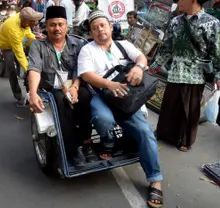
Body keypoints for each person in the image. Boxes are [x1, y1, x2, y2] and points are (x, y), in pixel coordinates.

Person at [77, 10, 163, 208]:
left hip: (126, 96)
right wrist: (109, 85)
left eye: (103, 25)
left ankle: (155, 179)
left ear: (110, 27)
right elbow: (87, 75)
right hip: (102, 95)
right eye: (95, 27)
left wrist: (138, 68)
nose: (100, 30)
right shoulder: (87, 49)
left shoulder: (123, 45)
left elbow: (142, 57)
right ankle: (107, 142)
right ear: (91, 32)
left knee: (145, 131)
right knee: (103, 119)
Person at [149, 0, 220, 152]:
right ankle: (165, 133)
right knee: (169, 105)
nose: (179, 1)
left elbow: (217, 50)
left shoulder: (211, 22)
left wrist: (219, 75)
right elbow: (167, 47)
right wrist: (155, 66)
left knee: (189, 109)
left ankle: (185, 140)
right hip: (175, 72)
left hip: (195, 74)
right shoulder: (175, 21)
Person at [28, 6, 97, 167]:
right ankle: (74, 148)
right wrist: (32, 93)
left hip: (75, 84)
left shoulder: (78, 44)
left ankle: (86, 143)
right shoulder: (37, 46)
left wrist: (74, 86)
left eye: (60, 24)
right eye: (52, 25)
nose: (57, 28)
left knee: (86, 97)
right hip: (51, 89)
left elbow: (81, 69)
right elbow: (34, 70)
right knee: (60, 102)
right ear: (46, 27)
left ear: (66, 26)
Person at [0, 7, 43, 107]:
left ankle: (26, 75)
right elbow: (20, 54)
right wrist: (30, 70)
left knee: (31, 49)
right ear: (25, 20)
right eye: (32, 22)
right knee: (12, 71)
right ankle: (18, 97)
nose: (34, 23)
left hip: (18, 40)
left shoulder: (24, 18)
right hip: (6, 46)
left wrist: (39, 43)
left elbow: (29, 33)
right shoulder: (13, 28)